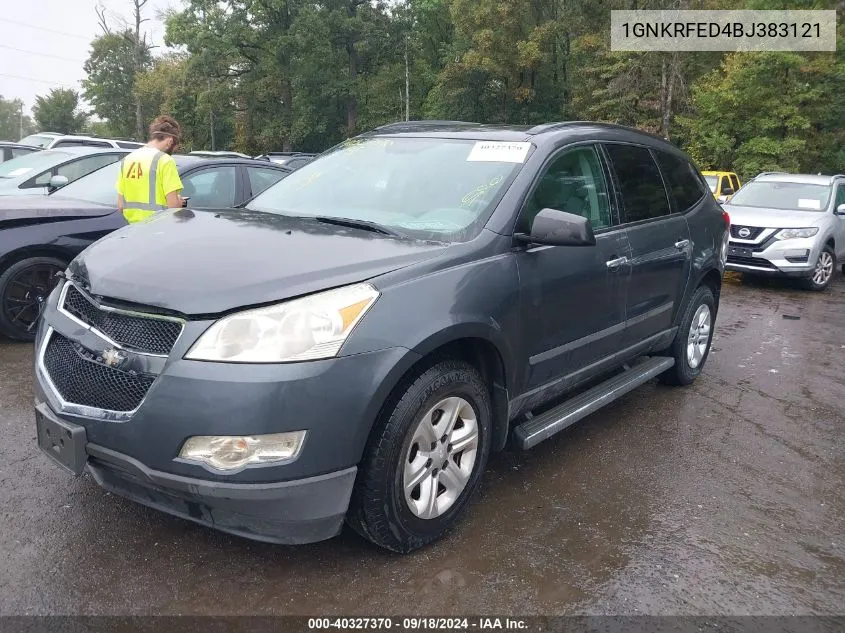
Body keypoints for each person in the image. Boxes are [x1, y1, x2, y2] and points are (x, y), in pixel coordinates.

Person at [116, 115, 185, 224]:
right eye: (175, 148)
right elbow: (173, 207)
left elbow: (120, 206)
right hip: (158, 230)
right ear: (170, 141)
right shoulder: (165, 161)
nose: (173, 151)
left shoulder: (127, 160)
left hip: (132, 230)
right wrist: (179, 202)